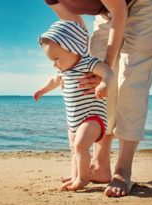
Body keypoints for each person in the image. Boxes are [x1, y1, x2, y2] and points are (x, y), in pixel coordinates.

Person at [43, 0, 152, 197]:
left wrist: (105, 68)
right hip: (107, 12)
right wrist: (84, 66)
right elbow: (77, 29)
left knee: (130, 81)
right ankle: (100, 165)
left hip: (146, 3)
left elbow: (119, 11)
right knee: (92, 80)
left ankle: (123, 171)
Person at [33, 20, 114, 190]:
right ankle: (76, 175)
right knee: (74, 149)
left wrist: (104, 84)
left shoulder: (88, 63)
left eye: (56, 58)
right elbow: (54, 80)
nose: (54, 64)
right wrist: (42, 90)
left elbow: (107, 71)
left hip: (93, 117)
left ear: (73, 48)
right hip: (73, 120)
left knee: (80, 145)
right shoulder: (63, 70)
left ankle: (82, 179)